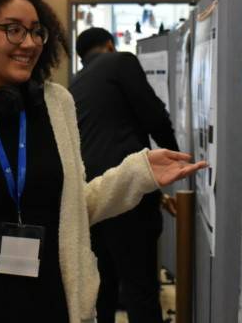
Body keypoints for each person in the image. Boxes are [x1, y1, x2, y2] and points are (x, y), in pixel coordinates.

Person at [0, 0, 206, 322]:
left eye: (36, 31)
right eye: (13, 30)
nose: (29, 43)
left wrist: (138, 173)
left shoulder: (56, 103)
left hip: (55, 304)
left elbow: (74, 209)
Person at [69, 27, 179, 323]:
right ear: (109, 45)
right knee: (139, 287)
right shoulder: (120, 62)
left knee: (101, 287)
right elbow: (154, 115)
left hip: (90, 197)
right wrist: (176, 159)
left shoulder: (73, 84)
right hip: (128, 193)